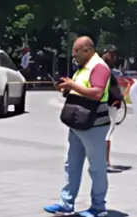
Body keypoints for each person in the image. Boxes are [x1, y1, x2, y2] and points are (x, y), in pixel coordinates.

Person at [44, 37, 112, 217]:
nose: (73, 55)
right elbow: (81, 90)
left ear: (87, 50)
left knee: (96, 167)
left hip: (94, 125)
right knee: (71, 164)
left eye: (76, 51)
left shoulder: (99, 67)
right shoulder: (83, 68)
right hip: (77, 123)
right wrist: (67, 88)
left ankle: (98, 207)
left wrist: (72, 84)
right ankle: (66, 203)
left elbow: (97, 93)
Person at [101, 45, 125, 173]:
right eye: (112, 54)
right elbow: (110, 89)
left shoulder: (104, 69)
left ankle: (102, 162)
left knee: (105, 134)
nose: (113, 57)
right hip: (109, 105)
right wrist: (117, 98)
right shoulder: (105, 70)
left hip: (106, 104)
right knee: (107, 134)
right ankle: (105, 163)